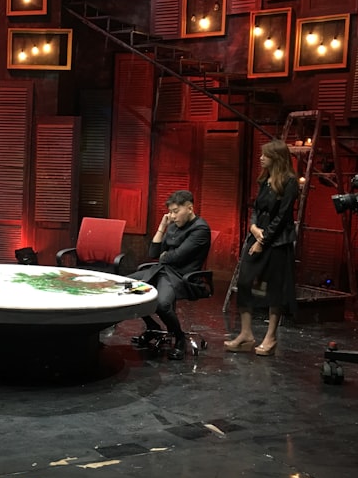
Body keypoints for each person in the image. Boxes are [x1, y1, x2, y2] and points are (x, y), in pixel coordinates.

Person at [224, 138, 299, 356]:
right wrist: (254, 228)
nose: (261, 158)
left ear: (276, 157)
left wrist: (262, 240)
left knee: (275, 289)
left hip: (277, 241)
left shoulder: (290, 182)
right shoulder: (264, 180)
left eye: (265, 155)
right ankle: (246, 334)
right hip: (259, 235)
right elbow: (256, 208)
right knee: (245, 282)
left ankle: (271, 337)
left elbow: (283, 217)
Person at [126, 190, 211, 360]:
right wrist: (162, 227)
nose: (172, 216)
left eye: (175, 211)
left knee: (162, 304)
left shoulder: (200, 229)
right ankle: (152, 327)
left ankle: (179, 338)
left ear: (189, 208)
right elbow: (154, 252)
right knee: (128, 287)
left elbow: (177, 256)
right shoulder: (172, 226)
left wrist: (165, 256)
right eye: (170, 212)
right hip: (163, 271)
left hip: (183, 276)